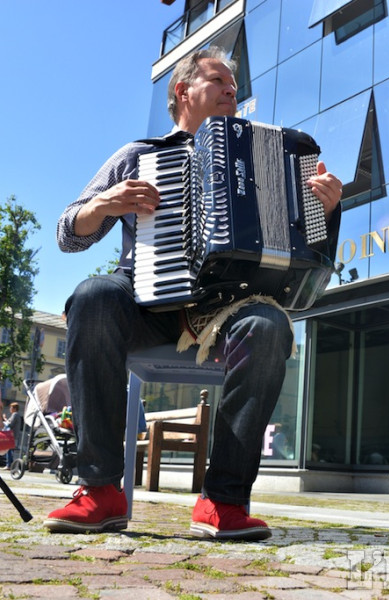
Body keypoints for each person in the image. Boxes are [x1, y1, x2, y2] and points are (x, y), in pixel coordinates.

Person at [45, 47, 342, 539]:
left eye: (234, 83)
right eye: (220, 79)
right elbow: (66, 232)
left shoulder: (269, 156)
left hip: (225, 308)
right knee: (93, 294)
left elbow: (307, 255)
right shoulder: (139, 156)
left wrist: (325, 211)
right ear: (183, 91)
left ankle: (222, 501)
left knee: (268, 327)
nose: (233, 89)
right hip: (145, 300)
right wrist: (104, 204)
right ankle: (100, 490)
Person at [3, 402, 23, 467]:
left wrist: (5, 419)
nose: (10, 409)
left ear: (14, 408)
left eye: (11, 407)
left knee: (9, 450)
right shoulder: (16, 415)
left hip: (12, 435)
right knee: (10, 450)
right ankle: (10, 464)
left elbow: (10, 425)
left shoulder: (15, 415)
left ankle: (9, 465)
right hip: (14, 435)